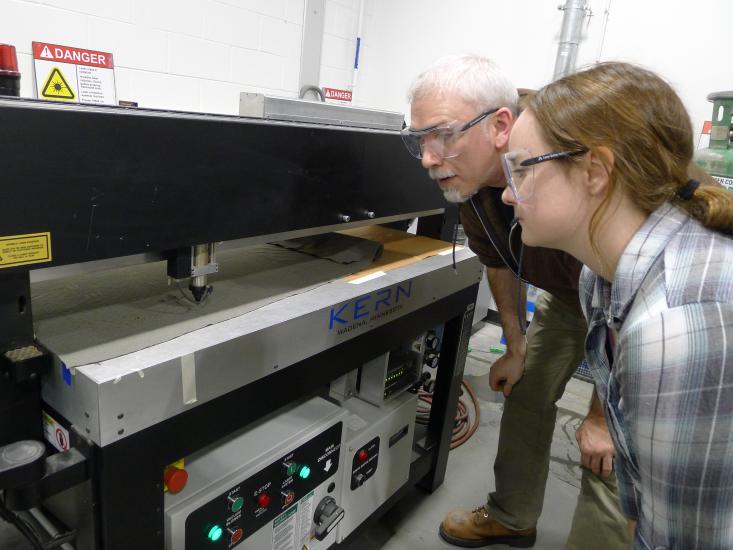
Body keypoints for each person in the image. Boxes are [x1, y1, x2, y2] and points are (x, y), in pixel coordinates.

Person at [502, 61, 733, 549]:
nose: (506, 193)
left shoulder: (676, 324)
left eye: (522, 168)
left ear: (596, 171)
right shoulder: (600, 279)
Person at [402, 54, 629, 549]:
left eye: (442, 135)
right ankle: (513, 515)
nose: (427, 157)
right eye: (418, 139)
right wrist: (515, 344)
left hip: (630, 312)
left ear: (500, 126)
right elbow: (500, 263)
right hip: (573, 301)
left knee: (610, 450)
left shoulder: (568, 164)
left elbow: (624, 301)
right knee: (528, 391)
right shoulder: (480, 183)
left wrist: (601, 415)